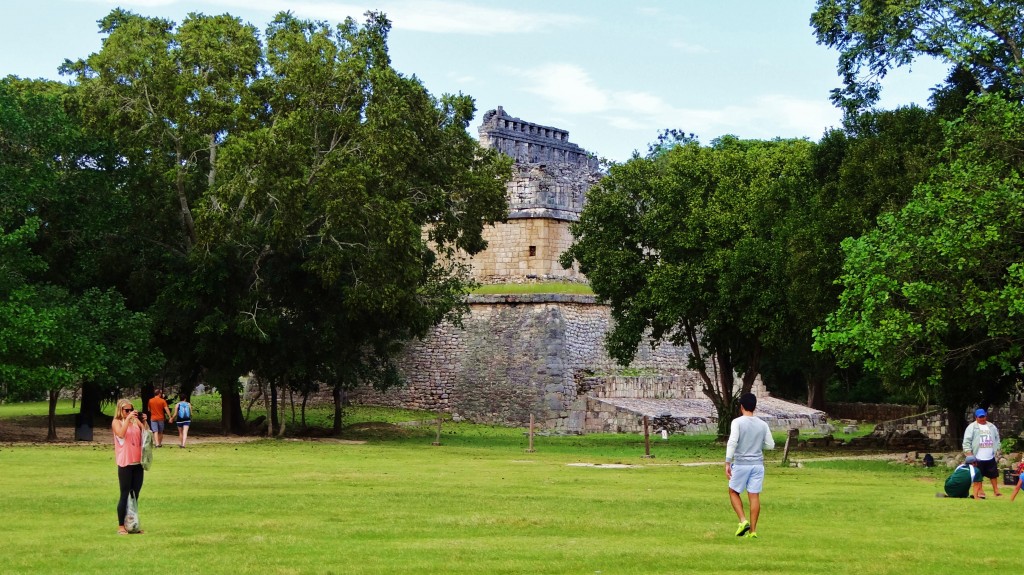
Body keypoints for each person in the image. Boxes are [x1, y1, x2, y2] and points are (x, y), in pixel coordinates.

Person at [725, 392, 775, 539]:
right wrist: (757, 445)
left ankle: (743, 521)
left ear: (741, 407)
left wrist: (727, 461)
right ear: (754, 407)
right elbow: (770, 445)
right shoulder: (762, 424)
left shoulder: (737, 422)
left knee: (733, 491)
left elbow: (733, 442)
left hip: (741, 463)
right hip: (758, 465)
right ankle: (753, 531)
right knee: (754, 496)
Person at [112, 398, 147, 534]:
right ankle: (121, 525)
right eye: (127, 410)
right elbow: (120, 434)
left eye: (131, 410)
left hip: (138, 462)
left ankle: (132, 524)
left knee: (135, 494)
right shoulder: (117, 422)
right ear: (120, 410)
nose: (130, 412)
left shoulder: (135, 421)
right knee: (125, 494)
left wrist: (144, 421)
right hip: (125, 462)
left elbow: (146, 434)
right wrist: (127, 419)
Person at [962, 408, 1002, 498]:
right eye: (980, 417)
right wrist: (968, 453)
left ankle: (996, 490)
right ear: (976, 417)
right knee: (978, 475)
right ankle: (980, 491)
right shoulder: (972, 427)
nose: (982, 418)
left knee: (993, 474)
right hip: (977, 455)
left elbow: (997, 438)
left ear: (986, 416)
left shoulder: (991, 426)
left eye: (983, 416)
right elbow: (966, 441)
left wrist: (998, 448)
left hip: (990, 455)